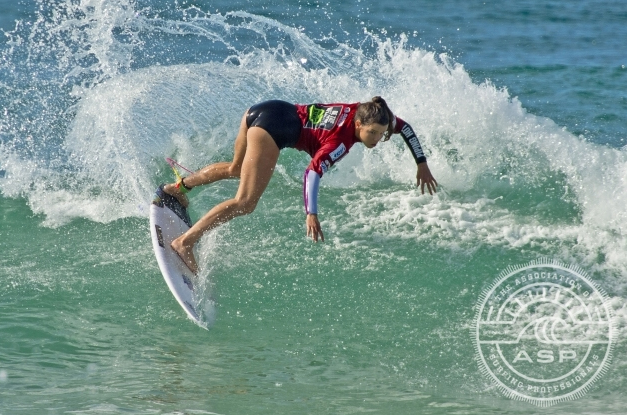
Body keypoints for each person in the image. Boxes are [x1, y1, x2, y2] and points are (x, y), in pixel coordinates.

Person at [163, 97, 438, 274]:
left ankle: (180, 188)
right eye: (373, 133)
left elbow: (406, 129)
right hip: (273, 130)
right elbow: (312, 174)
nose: (377, 139)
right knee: (245, 203)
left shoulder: (368, 112)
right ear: (358, 124)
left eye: (381, 133)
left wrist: (422, 163)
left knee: (236, 168)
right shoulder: (340, 142)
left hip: (264, 109)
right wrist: (311, 212)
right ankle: (185, 242)